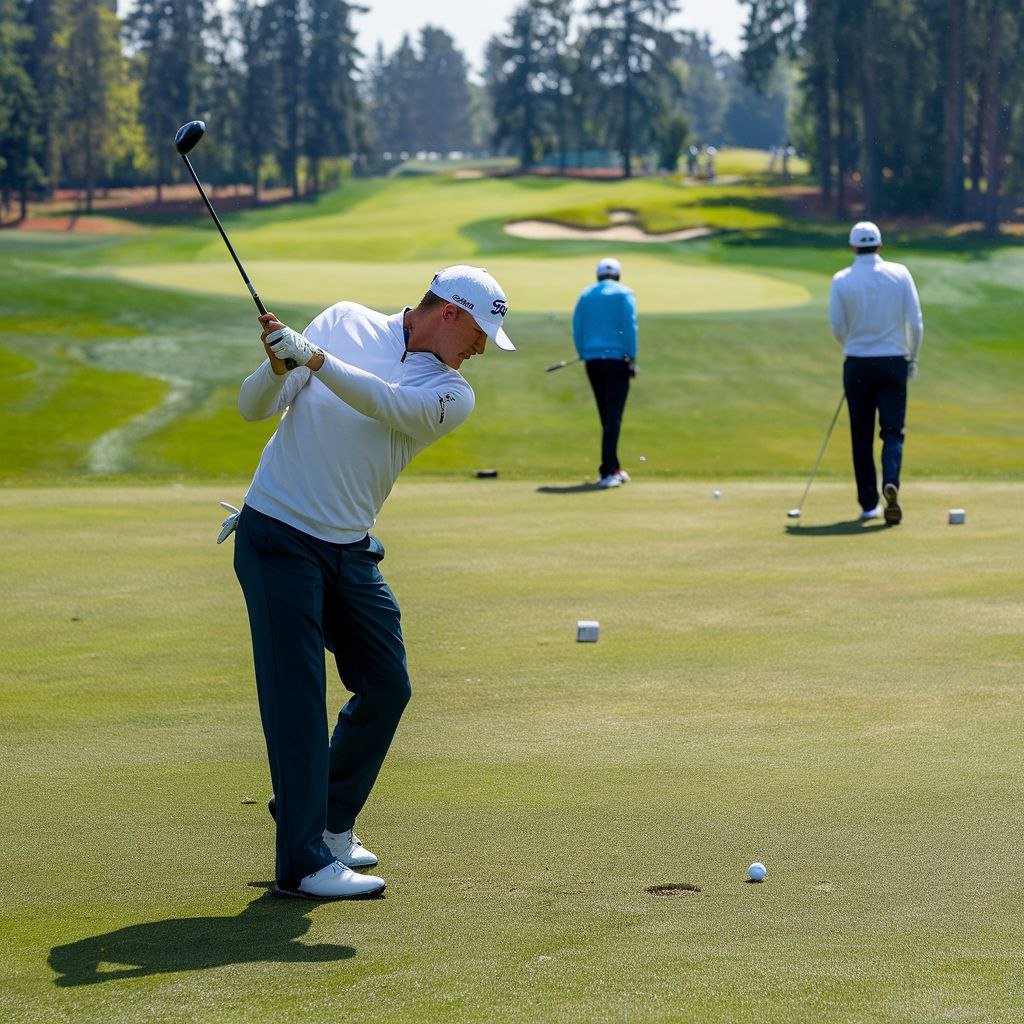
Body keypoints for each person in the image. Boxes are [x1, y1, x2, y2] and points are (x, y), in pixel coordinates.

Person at [228, 265, 514, 899]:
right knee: (296, 702)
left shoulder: (451, 394)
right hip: (278, 535)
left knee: (387, 684)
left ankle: (326, 819)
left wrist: (313, 357)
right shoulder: (343, 321)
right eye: (480, 332)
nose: (481, 348)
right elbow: (252, 409)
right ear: (450, 313)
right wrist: (276, 367)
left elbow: (386, 403)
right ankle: (303, 864)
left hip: (348, 548)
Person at [829, 221, 923, 524]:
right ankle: (890, 482)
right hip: (894, 361)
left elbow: (837, 328)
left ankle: (870, 504)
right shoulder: (900, 273)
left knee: (861, 436)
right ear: (880, 246)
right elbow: (916, 323)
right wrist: (913, 358)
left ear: (853, 247)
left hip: (857, 363)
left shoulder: (841, 279)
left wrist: (855, 346)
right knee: (893, 432)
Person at [572, 257, 638, 489]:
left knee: (607, 416)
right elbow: (630, 326)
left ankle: (614, 466)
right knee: (613, 417)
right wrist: (633, 356)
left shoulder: (587, 295)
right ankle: (607, 471)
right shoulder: (624, 294)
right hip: (617, 362)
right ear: (618, 275)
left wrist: (583, 352)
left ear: (598, 275)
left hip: (593, 362)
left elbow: (577, 326)